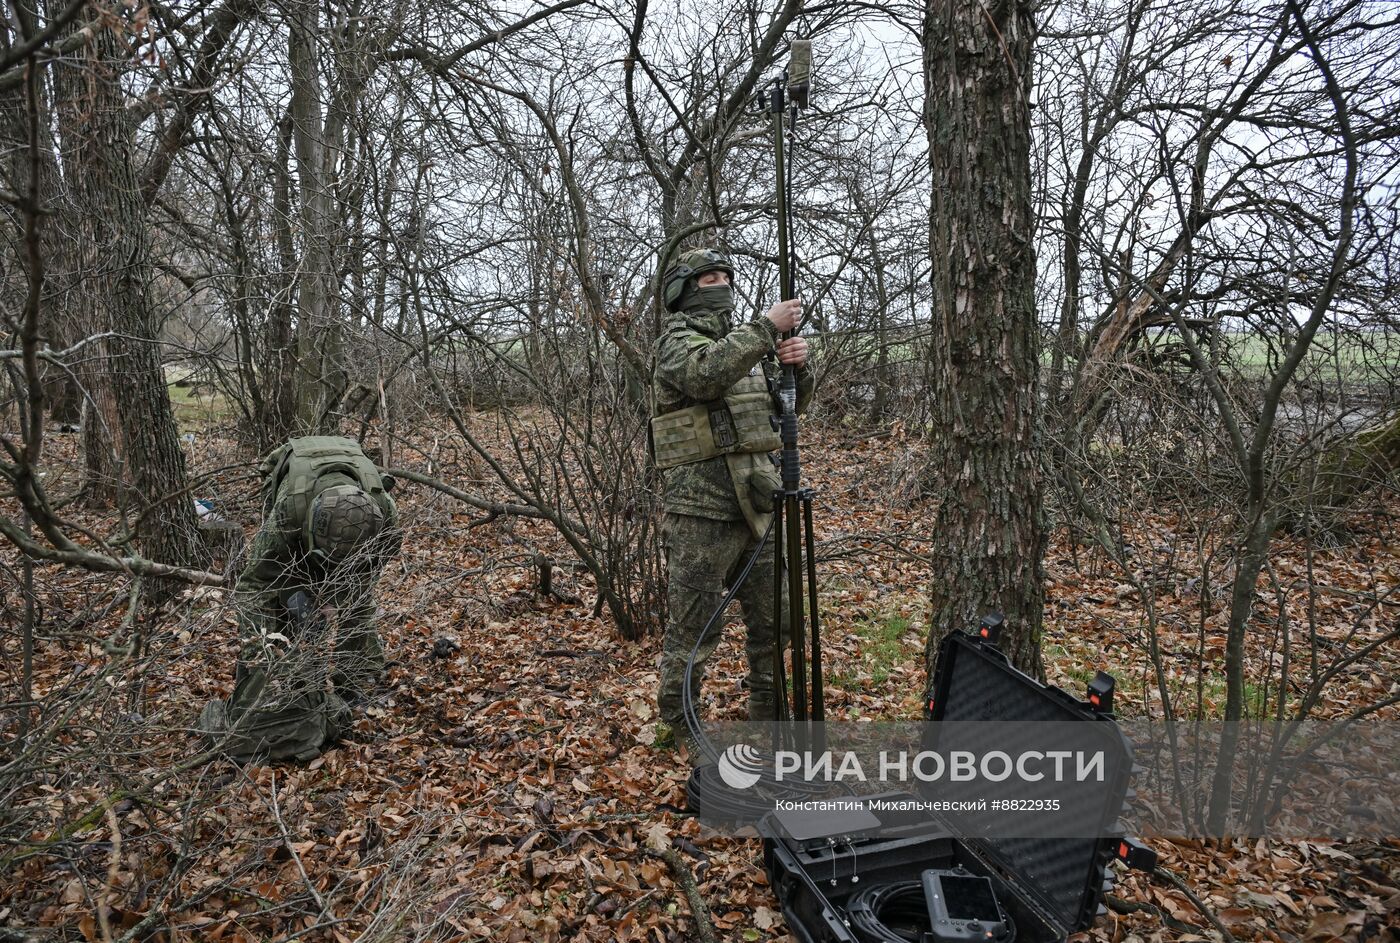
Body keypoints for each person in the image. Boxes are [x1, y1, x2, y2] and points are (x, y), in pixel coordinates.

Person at [651, 247, 813, 761]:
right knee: (694, 628)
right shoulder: (676, 341)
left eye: (724, 275)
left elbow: (787, 409)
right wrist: (766, 329)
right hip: (702, 509)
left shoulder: (749, 345)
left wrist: (796, 368)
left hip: (759, 502)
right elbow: (705, 376)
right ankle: (681, 730)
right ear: (684, 289)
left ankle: (770, 721)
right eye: (707, 278)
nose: (718, 284)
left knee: (775, 624)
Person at [199, 436, 401, 763]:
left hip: (350, 528)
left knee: (356, 605)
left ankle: (356, 679)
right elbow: (255, 586)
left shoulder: (385, 515)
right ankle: (285, 681)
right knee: (283, 605)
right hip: (294, 475)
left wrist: (339, 597)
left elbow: (371, 573)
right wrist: (262, 652)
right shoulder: (287, 513)